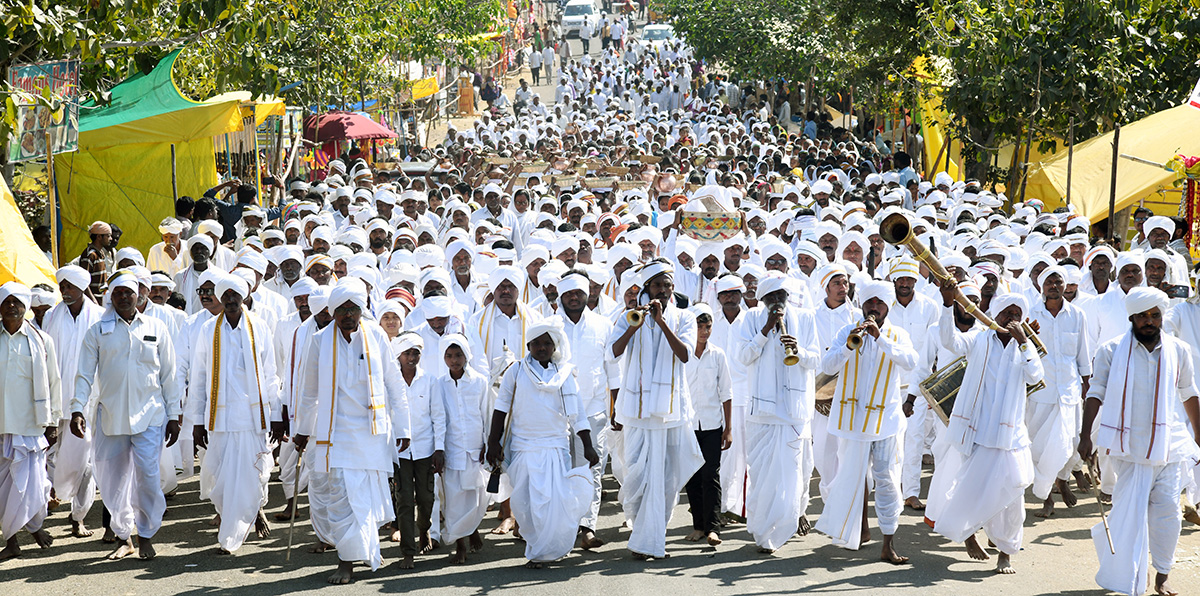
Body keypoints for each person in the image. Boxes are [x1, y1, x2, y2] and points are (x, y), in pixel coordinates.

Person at [1079, 287, 1200, 596]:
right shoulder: (1110, 351)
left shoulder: (1179, 350)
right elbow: (1096, 392)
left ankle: (1162, 574)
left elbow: (1189, 393)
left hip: (1169, 448)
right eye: (1143, 316)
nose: (1149, 321)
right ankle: (1130, 571)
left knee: (1168, 516)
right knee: (1128, 515)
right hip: (1128, 449)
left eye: (1155, 315)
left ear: (1162, 316)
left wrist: (1199, 434)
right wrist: (1084, 436)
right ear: (1131, 317)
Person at [294, 281, 412, 584]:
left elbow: (394, 383)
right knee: (342, 499)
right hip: (335, 435)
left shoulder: (376, 337)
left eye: (353, 308)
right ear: (333, 311)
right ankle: (346, 560)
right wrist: (302, 431)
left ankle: (367, 547)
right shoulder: (320, 341)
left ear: (361, 309)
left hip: (372, 434)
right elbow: (308, 392)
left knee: (368, 498)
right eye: (342, 309)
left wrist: (404, 427)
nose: (348, 314)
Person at [924, 288, 1044, 574]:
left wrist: (1024, 341)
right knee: (971, 490)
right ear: (996, 315)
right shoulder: (979, 339)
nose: (1012, 318)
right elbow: (948, 340)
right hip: (977, 433)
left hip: (1011, 436)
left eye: (1017, 314)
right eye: (1007, 313)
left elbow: (1036, 375)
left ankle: (1006, 551)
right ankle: (969, 534)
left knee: (1015, 492)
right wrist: (946, 303)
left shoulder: (1025, 345)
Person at [72, 271, 182, 560]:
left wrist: (175, 414)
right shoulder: (97, 331)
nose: (123, 297)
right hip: (111, 418)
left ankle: (145, 534)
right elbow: (83, 375)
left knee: (148, 476)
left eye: (128, 292)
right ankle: (124, 535)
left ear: (139, 295)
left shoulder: (156, 327)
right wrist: (76, 409)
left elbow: (170, 375)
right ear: (110, 296)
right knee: (112, 480)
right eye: (117, 292)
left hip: (150, 416)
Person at [815, 280, 918, 565]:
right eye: (870, 303)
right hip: (853, 421)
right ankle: (856, 530)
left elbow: (911, 362)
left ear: (888, 307)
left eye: (879, 304)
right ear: (862, 304)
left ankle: (888, 542)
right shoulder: (846, 331)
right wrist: (849, 345)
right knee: (852, 476)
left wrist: (881, 339)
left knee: (886, 480)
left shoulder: (898, 334)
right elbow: (827, 367)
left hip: (885, 422)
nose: (874, 308)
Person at [608, 259, 703, 560]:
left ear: (673, 290)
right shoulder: (629, 317)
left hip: (669, 413)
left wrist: (662, 323)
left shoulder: (684, 318)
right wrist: (635, 326)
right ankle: (641, 533)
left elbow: (686, 355)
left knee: (666, 479)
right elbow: (613, 352)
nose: (662, 290)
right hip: (637, 413)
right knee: (635, 474)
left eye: (667, 286)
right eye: (657, 285)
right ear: (647, 289)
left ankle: (650, 541)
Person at [486, 318, 600, 568]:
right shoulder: (515, 371)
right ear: (528, 345)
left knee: (553, 503)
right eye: (536, 343)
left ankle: (543, 552)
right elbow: (501, 407)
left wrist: (588, 444)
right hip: (524, 447)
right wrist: (493, 441)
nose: (541, 348)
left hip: (556, 447)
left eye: (546, 343)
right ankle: (537, 545)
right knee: (525, 503)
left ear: (554, 346)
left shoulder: (565, 374)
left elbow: (578, 413)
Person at [188, 275, 282, 553]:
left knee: (254, 474)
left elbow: (270, 373)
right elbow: (199, 376)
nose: (229, 300)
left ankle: (231, 537)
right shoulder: (208, 330)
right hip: (219, 418)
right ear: (220, 297)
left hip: (253, 418)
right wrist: (196, 421)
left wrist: (276, 414)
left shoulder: (260, 327)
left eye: (234, 295)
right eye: (225, 295)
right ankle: (243, 514)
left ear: (243, 297)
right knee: (220, 475)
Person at [736, 273, 819, 552]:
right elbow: (743, 357)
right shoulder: (750, 320)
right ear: (762, 301)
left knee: (793, 473)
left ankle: (784, 526)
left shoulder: (805, 318)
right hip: (762, 414)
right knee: (761, 477)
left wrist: (800, 350)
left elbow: (816, 359)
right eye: (770, 299)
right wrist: (764, 331)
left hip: (794, 413)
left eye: (780, 297)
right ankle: (763, 533)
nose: (776, 303)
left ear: (787, 297)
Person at [1024, 265, 1093, 518]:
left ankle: (1062, 480)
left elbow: (1083, 354)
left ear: (1066, 286)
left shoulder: (1077, 315)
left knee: (1070, 444)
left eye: (1058, 282)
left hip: (1070, 391)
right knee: (1039, 448)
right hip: (1041, 392)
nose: (1054, 286)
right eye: (1049, 282)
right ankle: (1047, 498)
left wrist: (1088, 384)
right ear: (1041, 286)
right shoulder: (1030, 316)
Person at [555, 272, 617, 549]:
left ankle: (587, 528)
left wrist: (616, 407)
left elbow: (612, 369)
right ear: (560, 296)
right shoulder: (552, 326)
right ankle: (562, 528)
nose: (573, 297)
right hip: (557, 413)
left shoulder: (604, 325)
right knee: (560, 471)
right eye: (568, 293)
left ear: (587, 294)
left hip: (593, 410)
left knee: (590, 469)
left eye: (578, 292)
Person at [41, 266, 103, 538]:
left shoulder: (100, 317)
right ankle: (54, 492)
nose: (65, 291)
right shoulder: (52, 317)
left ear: (81, 287)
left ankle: (79, 516)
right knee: (51, 454)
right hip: (57, 400)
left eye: (70, 286)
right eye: (62, 286)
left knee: (86, 461)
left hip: (89, 402)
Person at [0, 282, 61, 561]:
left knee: (34, 485)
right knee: (2, 489)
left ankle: (35, 528)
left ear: (26, 306)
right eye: (6, 301)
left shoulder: (41, 340)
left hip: (31, 424)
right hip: (1, 426)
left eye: (17, 301)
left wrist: (54, 421)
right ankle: (11, 541)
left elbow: (54, 382)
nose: (12, 305)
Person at [433, 333, 490, 564]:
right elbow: (438, 418)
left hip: (475, 447)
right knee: (454, 498)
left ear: (467, 355)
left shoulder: (479, 381)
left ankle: (472, 528)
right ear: (443, 358)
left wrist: (488, 442)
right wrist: (438, 449)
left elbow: (486, 413)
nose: (454, 360)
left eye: (458, 355)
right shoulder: (439, 384)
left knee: (477, 495)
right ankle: (460, 545)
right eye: (449, 355)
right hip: (452, 448)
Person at [392, 332, 443, 568]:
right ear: (398, 355)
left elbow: (438, 417)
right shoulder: (390, 380)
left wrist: (439, 449)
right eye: (407, 353)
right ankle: (408, 552)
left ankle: (425, 530)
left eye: (416, 353)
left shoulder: (430, 380)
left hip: (425, 449)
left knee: (425, 498)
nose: (412, 357)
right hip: (399, 451)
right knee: (404, 500)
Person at [684, 304, 732, 547]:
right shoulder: (682, 354)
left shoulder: (718, 354)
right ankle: (698, 526)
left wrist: (728, 427)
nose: (704, 331)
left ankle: (713, 528)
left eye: (708, 326)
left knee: (710, 475)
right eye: (699, 326)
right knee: (692, 476)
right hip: (689, 425)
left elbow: (726, 392)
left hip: (713, 424)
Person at [78, 221, 112, 295]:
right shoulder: (90, 255)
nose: (111, 239)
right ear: (99, 237)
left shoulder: (101, 253)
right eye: (108, 236)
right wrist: (93, 300)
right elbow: (83, 280)